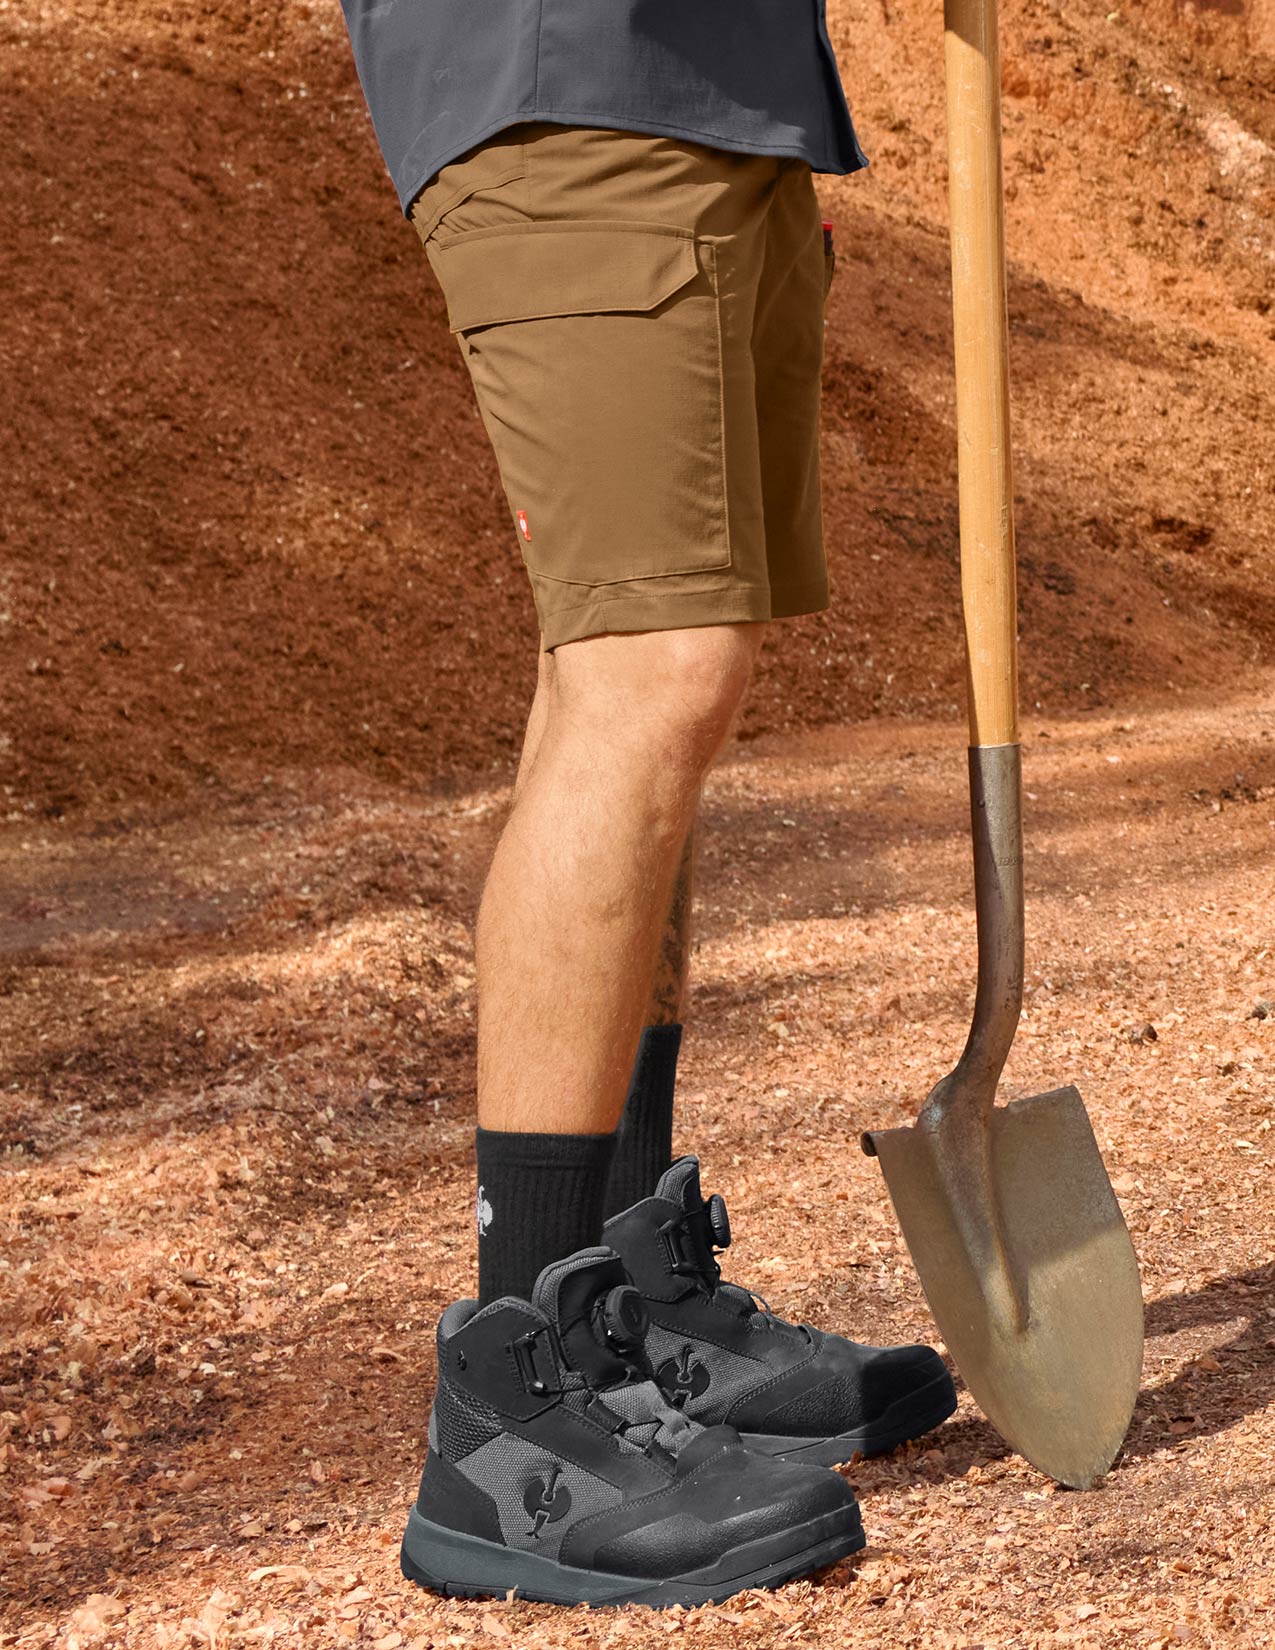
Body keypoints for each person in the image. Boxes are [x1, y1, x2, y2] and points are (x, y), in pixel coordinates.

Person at [339, 1, 956, 1608]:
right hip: (570, 80)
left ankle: (627, 1297)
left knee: (642, 674)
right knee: (647, 671)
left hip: (721, 89)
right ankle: (512, 1403)